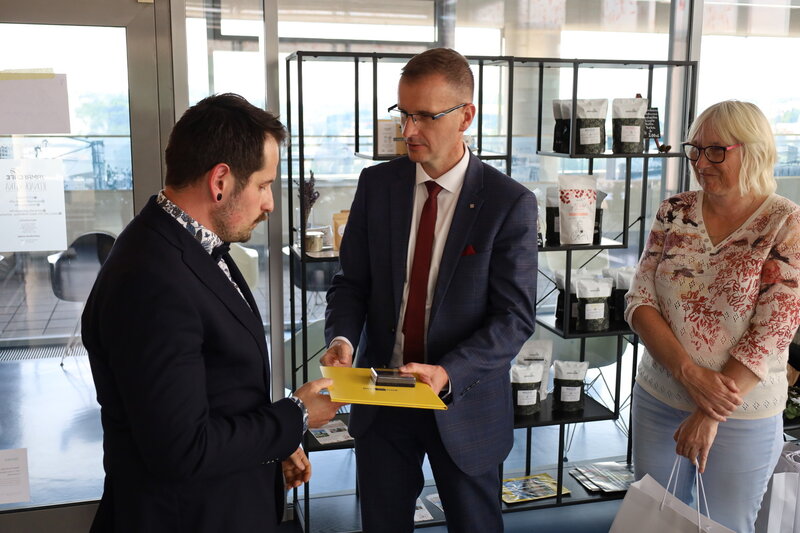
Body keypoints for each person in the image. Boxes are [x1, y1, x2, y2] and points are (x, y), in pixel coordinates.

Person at [82, 93, 342, 533]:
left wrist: (274, 444)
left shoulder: (184, 244)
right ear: (220, 180)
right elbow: (182, 449)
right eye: (263, 185)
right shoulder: (151, 279)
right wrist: (296, 416)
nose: (269, 203)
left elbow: (217, 393)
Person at [321, 48, 538, 532]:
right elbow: (351, 283)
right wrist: (342, 339)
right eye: (403, 113)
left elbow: (514, 320)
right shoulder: (377, 185)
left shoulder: (508, 203)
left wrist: (447, 372)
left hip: (463, 399)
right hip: (383, 394)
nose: (408, 130)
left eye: (424, 116)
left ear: (466, 116)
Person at [625, 100, 800, 533]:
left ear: (753, 150)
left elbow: (774, 328)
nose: (701, 163)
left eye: (716, 151)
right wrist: (687, 373)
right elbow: (639, 300)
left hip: (742, 413)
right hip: (660, 395)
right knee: (652, 522)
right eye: (695, 149)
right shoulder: (674, 211)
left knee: (725, 525)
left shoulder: (785, 223)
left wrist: (708, 413)